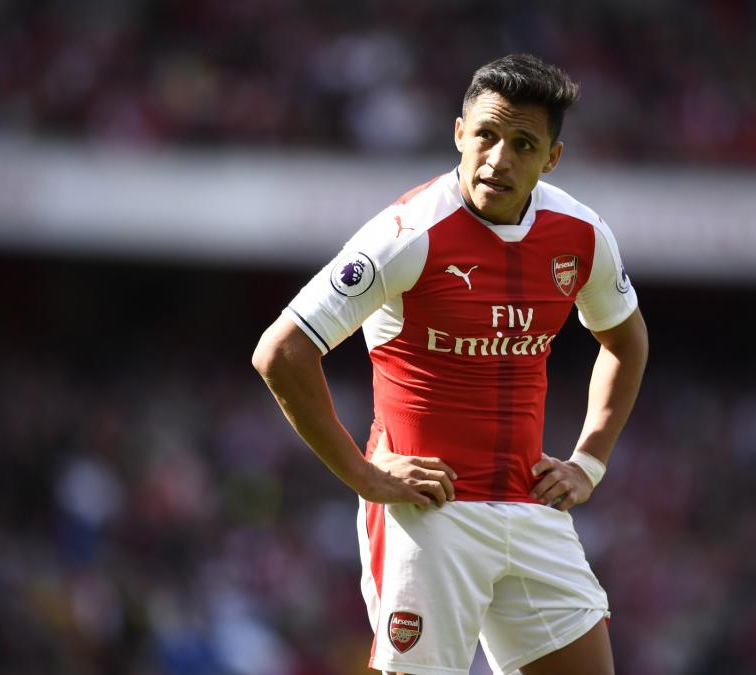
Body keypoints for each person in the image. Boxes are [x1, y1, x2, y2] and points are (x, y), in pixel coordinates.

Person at [252, 53, 648, 675]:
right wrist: (364, 475)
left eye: (523, 143)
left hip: (530, 505)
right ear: (459, 133)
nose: (498, 158)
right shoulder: (409, 232)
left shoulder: (581, 234)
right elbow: (281, 351)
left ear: (551, 158)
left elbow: (626, 343)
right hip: (428, 516)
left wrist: (589, 462)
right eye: (486, 135)